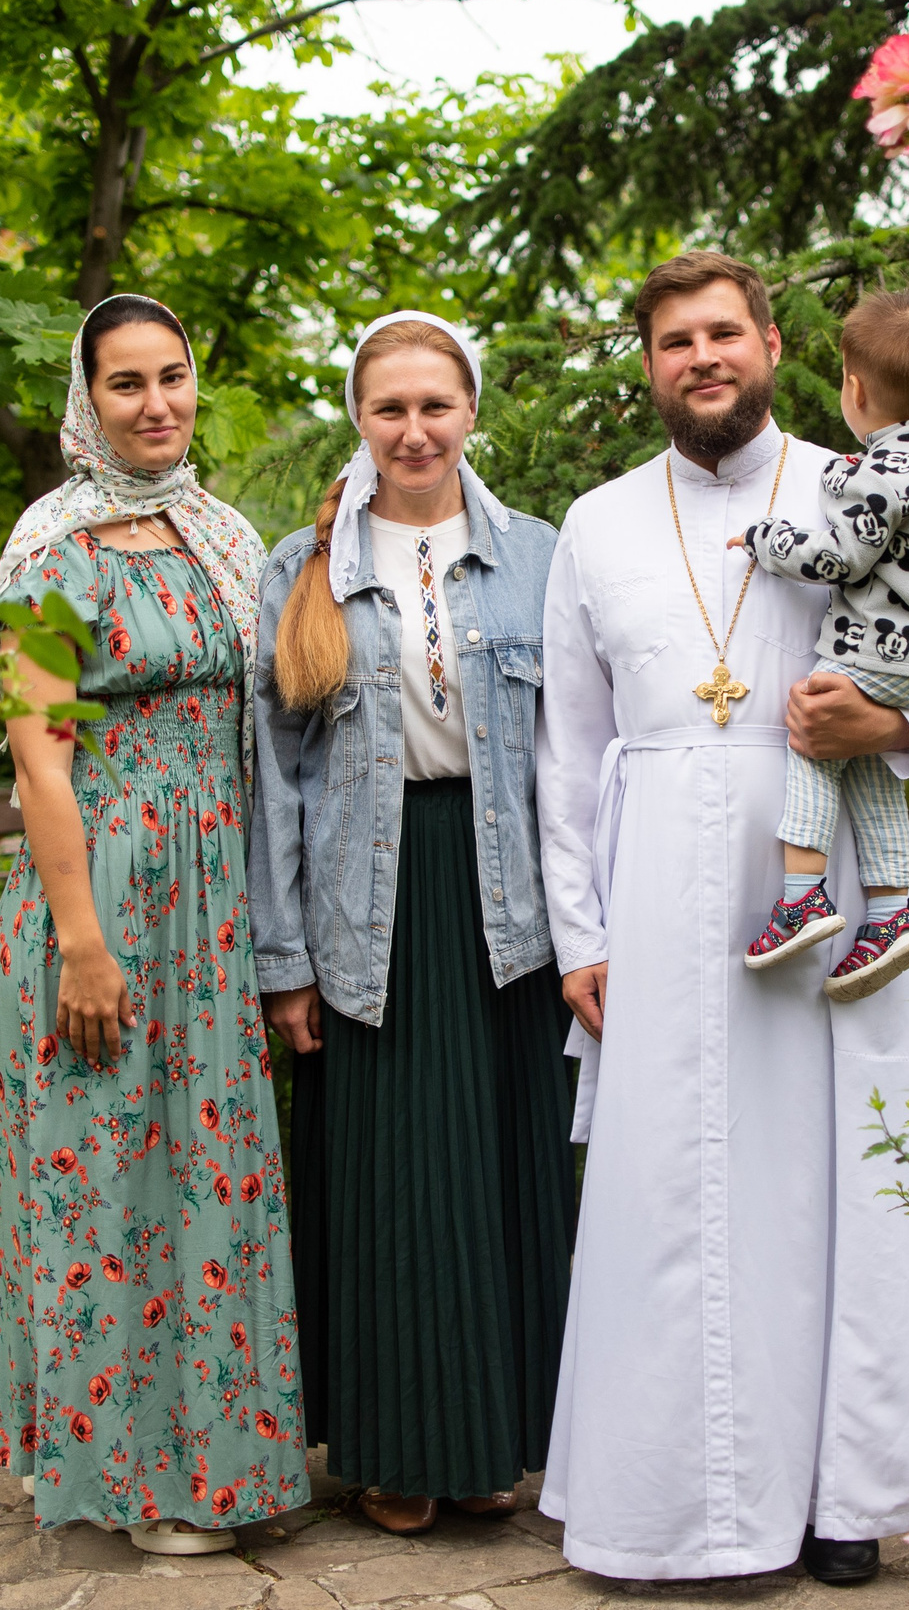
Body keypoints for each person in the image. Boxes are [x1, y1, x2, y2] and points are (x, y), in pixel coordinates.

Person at [536, 252, 909, 1585]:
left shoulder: (866, 477)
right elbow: (563, 754)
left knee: (834, 1190)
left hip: (835, 900)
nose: (703, 357)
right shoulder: (597, 522)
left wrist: (901, 722)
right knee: (666, 1197)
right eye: (675, 339)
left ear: (775, 343)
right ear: (648, 363)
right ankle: (664, 1503)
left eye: (724, 333)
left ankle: (838, 1498)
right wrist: (581, 935)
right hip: (655, 897)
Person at [0, 294, 306, 1554]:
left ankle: (220, 1459)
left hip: (215, 900)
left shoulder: (224, 533)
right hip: (103, 890)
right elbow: (37, 755)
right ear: (88, 400)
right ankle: (134, 1477)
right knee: (110, 1179)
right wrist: (81, 938)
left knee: (208, 1174)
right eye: (127, 384)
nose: (157, 403)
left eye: (172, 376)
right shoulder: (46, 548)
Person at [248, 312, 575, 1536]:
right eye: (390, 408)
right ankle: (391, 1445)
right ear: (359, 418)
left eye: (435, 404)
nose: (414, 429)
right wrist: (285, 965)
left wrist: (591, 933)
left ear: (470, 410)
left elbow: (575, 758)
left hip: (509, 908)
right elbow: (270, 780)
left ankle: (491, 1438)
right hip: (364, 909)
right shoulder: (304, 566)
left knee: (499, 1177)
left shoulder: (543, 555)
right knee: (390, 1185)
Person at [734, 288, 909, 1001]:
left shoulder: (877, 472)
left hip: (875, 652)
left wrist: (769, 539)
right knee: (870, 766)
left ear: (853, 387)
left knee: (814, 739)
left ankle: (801, 896)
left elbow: (839, 560)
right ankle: (892, 910)